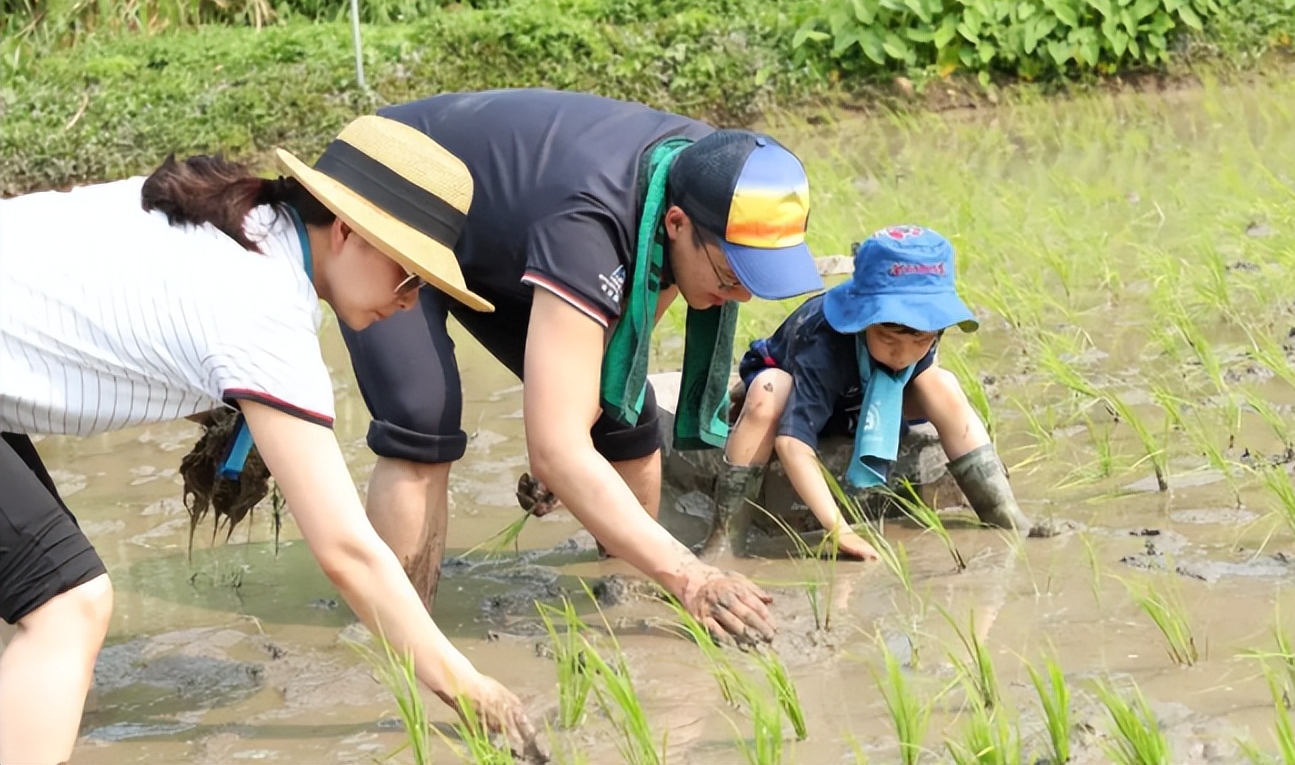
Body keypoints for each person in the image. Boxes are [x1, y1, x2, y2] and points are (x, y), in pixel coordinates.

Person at [0, 116, 539, 764]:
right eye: (410, 276)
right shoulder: (264, 309)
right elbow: (348, 552)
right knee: (68, 606)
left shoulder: (239, 219)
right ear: (346, 231)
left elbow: (119, 324)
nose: (410, 301)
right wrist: (465, 684)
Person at [337, 88, 825, 646]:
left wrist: (568, 447)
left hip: (505, 225)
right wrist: (690, 573)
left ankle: (627, 605)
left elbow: (621, 347)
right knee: (422, 418)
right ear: (676, 224)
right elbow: (557, 445)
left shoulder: (709, 170)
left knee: (625, 417)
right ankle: (400, 640)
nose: (737, 295)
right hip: (393, 188)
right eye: (731, 275)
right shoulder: (591, 223)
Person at [701, 225, 1031, 560]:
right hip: (800, 389)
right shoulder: (822, 343)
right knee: (768, 392)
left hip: (862, 396)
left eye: (921, 341)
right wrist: (839, 530)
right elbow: (791, 443)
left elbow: (919, 365)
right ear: (861, 320)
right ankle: (726, 538)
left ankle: (1003, 514)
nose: (902, 354)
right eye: (888, 340)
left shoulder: (922, 339)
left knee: (941, 383)